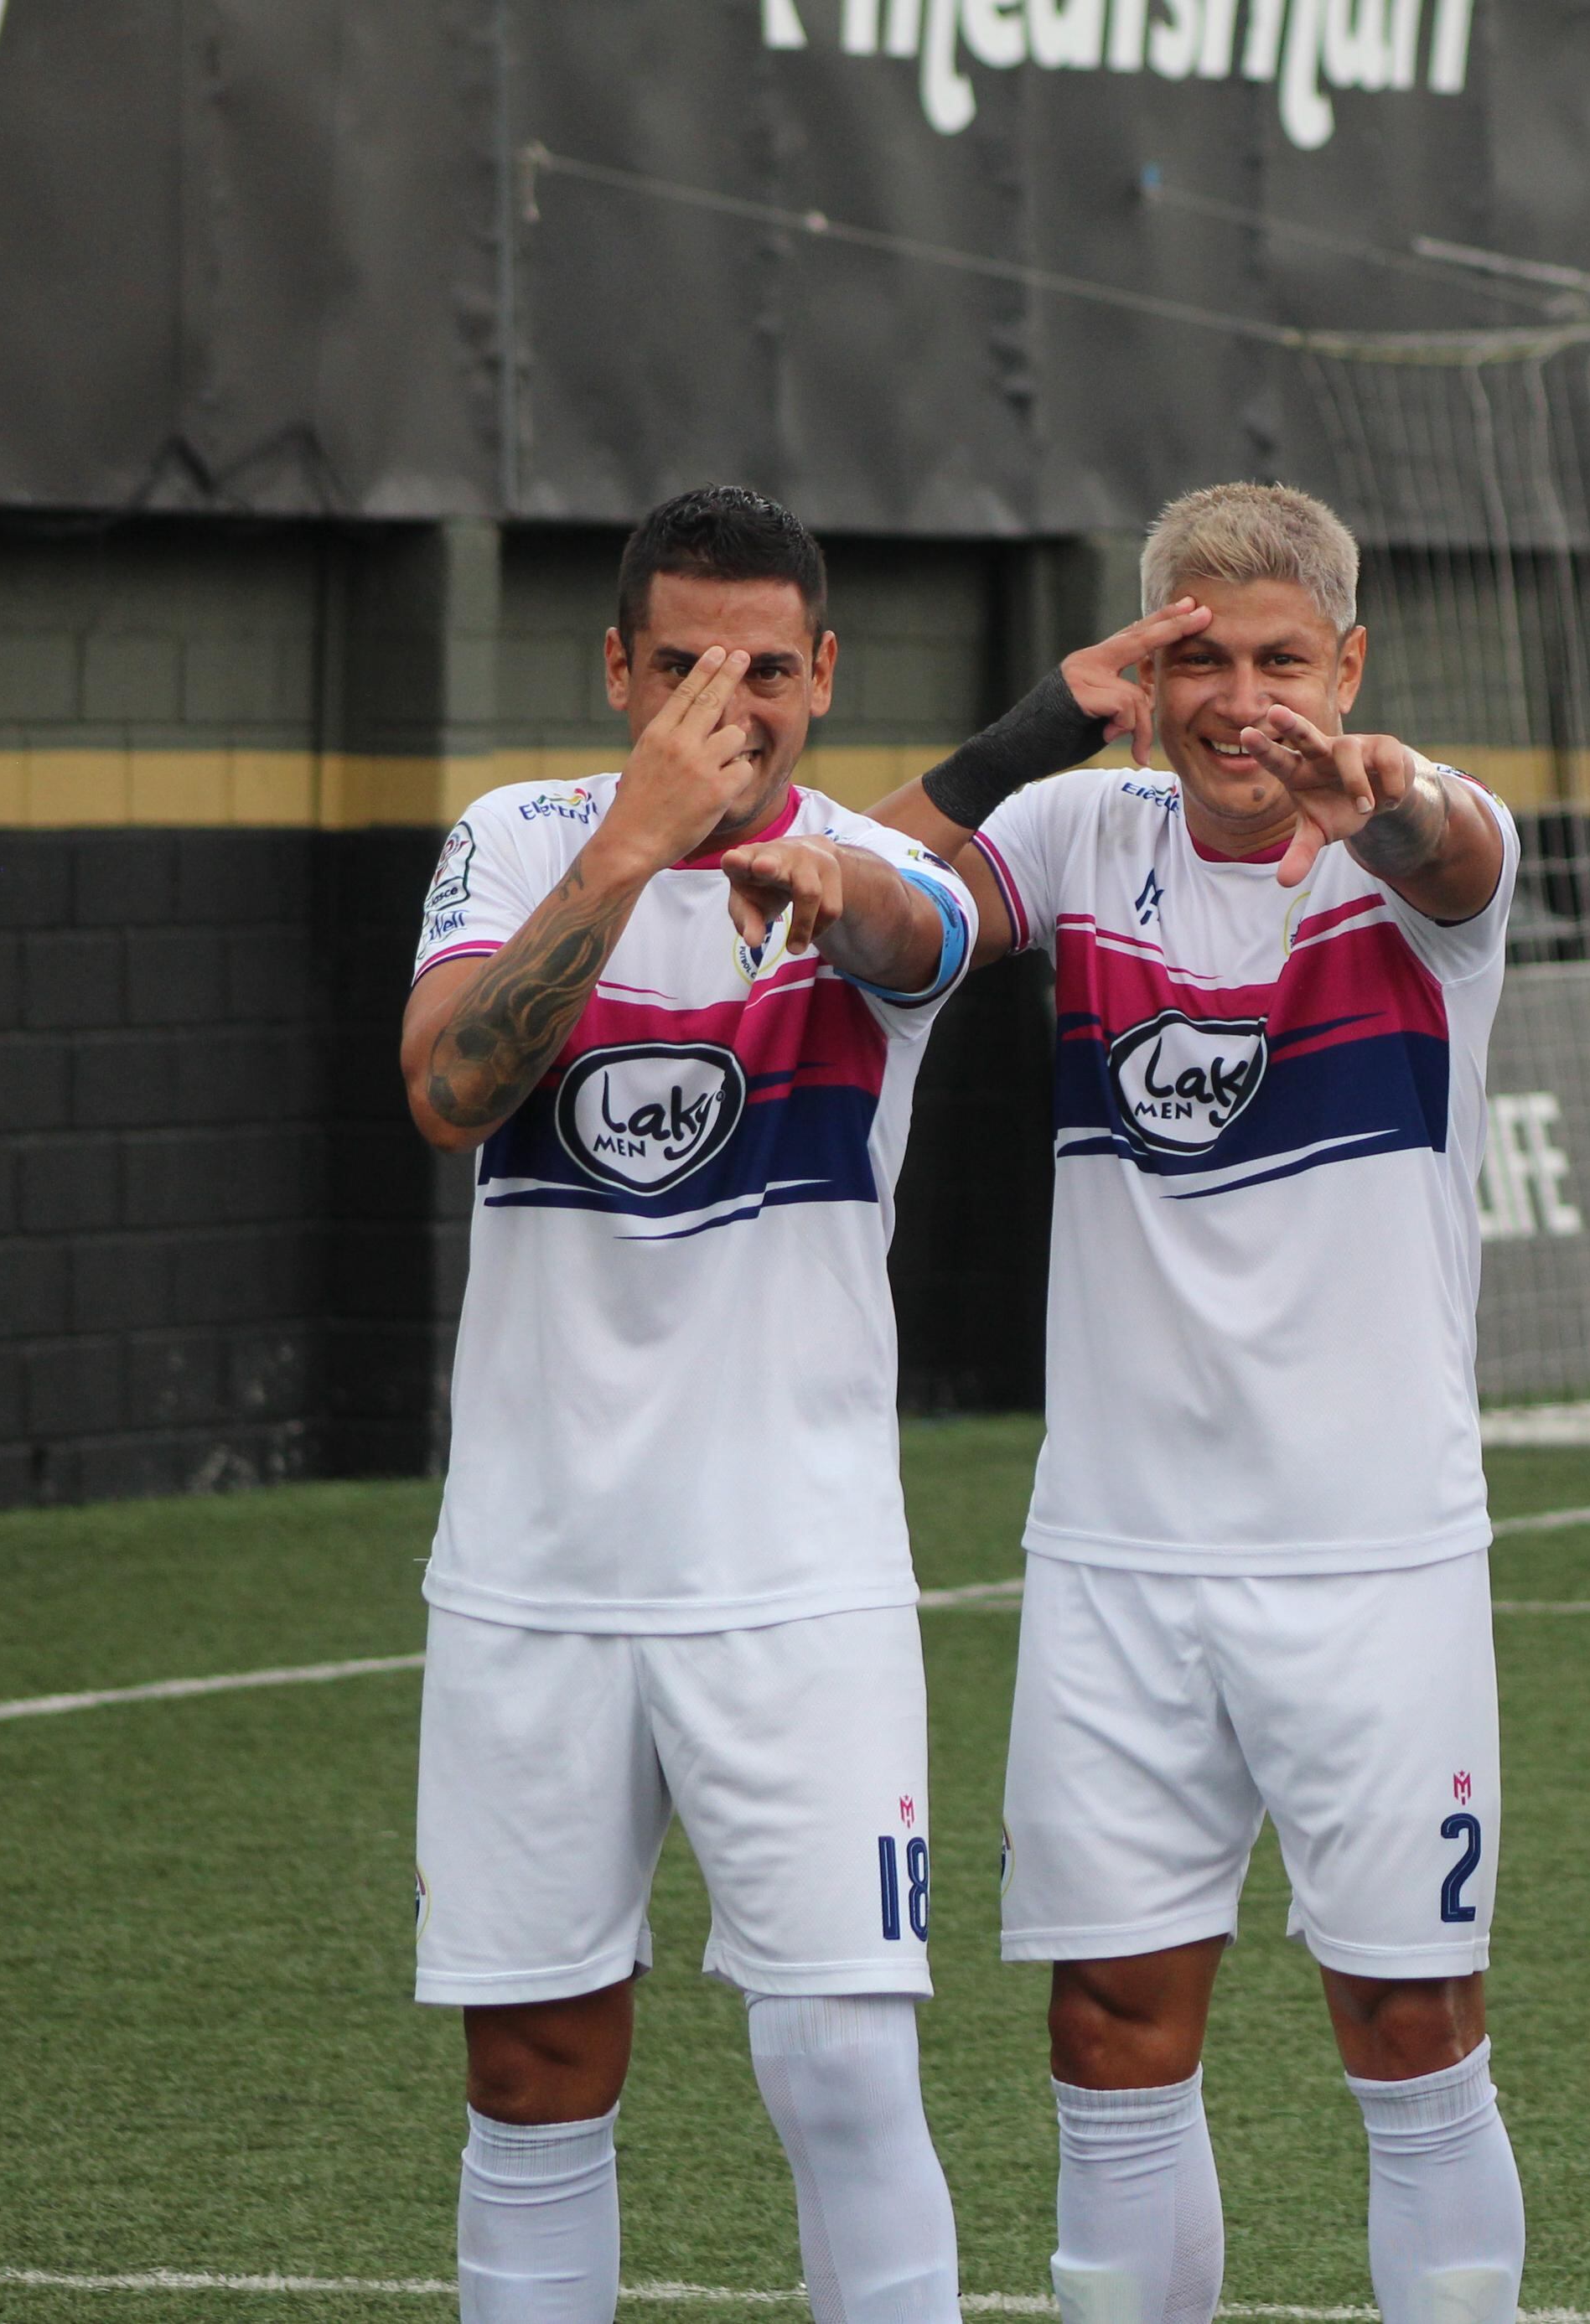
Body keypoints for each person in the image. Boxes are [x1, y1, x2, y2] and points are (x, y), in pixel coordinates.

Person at [867, 483, 1527, 2324]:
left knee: (1408, 2022)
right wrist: (1036, 728)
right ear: (1145, 678)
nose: (1247, 703)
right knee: (1107, 2024)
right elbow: (846, 900)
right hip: (1119, 1562)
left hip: (1374, 1556)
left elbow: (1459, 852)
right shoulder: (1079, 826)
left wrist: (1371, 794)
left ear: (1350, 664)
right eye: (1200, 661)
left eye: (1284, 662)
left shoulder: (1420, 851)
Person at [399, 487, 979, 2324]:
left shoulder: (881, 887)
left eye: (765, 671)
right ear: (615, 669)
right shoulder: (516, 840)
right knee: (533, 2085)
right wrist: (630, 853)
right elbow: (451, 1091)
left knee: (841, 2071)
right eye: (681, 667)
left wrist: (840, 879)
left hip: (794, 1584)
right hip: (534, 1575)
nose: (724, 705)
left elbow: (913, 936)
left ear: (827, 676)